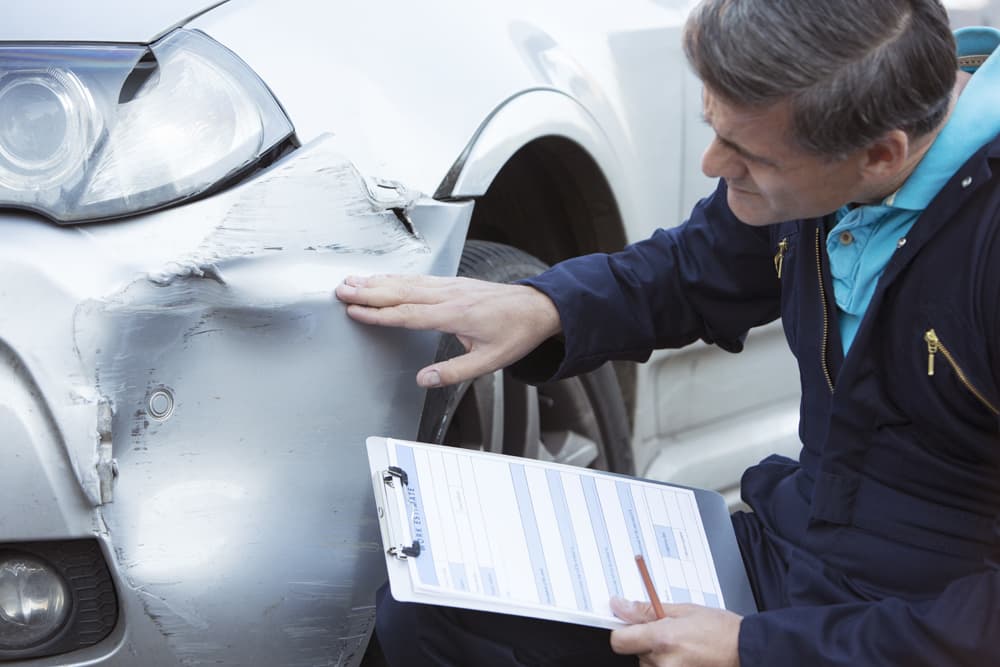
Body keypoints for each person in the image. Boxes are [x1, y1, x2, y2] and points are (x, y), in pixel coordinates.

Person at [336, 0, 1000, 664]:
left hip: (920, 623)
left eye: (745, 153)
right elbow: (698, 268)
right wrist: (542, 307)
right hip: (790, 555)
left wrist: (758, 648)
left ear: (879, 155)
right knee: (436, 602)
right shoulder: (828, 155)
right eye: (711, 129)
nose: (713, 164)